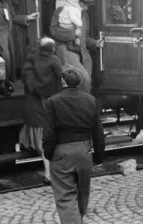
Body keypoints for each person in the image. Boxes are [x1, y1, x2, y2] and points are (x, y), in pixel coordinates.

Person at [43, 65, 105, 224]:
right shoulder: (91, 100)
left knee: (65, 196)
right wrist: (98, 157)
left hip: (62, 152)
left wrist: (48, 153)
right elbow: (98, 131)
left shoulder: (52, 101)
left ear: (63, 81)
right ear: (79, 81)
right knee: (83, 193)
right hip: (84, 152)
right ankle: (79, 219)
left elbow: (49, 132)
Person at [19, 37, 62, 184]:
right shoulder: (55, 61)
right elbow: (60, 81)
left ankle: (49, 174)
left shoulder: (29, 64)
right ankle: (52, 173)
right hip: (49, 106)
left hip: (34, 107)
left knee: (44, 143)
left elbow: (30, 86)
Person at [50, 0, 104, 93]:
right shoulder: (60, 11)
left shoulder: (84, 15)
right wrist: (72, 34)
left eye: (88, 6)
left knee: (86, 83)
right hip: (66, 50)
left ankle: (81, 105)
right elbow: (54, 31)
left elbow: (84, 37)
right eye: (84, 5)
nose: (86, 8)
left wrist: (95, 43)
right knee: (84, 80)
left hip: (82, 52)